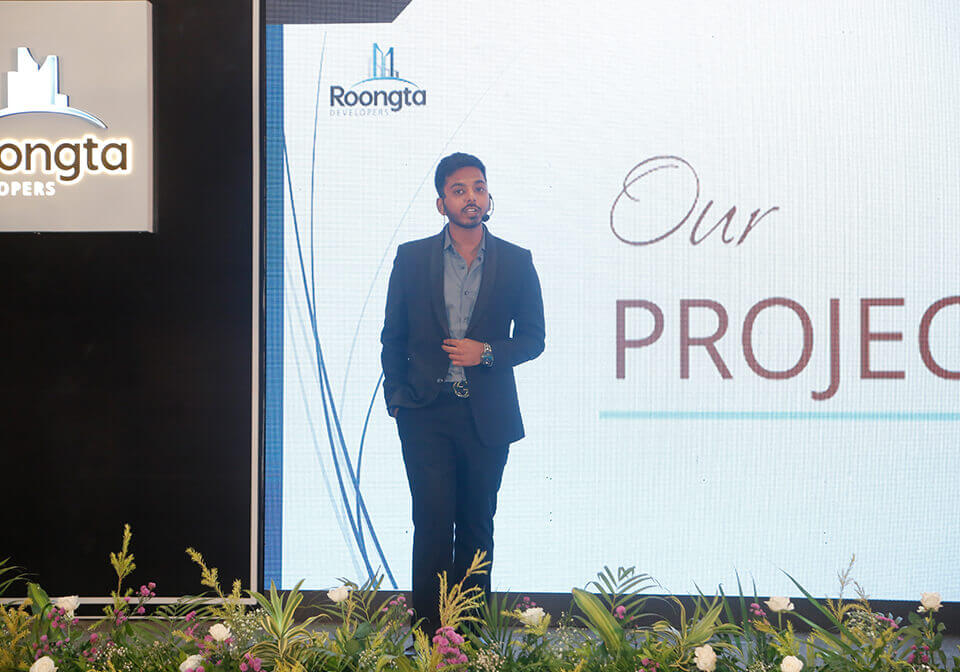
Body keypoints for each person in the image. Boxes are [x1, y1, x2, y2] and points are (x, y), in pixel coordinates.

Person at [380, 152, 545, 635]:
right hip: (425, 414)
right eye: (459, 190)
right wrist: (397, 399)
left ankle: (468, 640)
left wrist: (486, 353)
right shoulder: (412, 258)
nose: (471, 197)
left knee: (476, 527)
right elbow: (393, 336)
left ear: (488, 196)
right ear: (441, 203)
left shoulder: (516, 261)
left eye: (478, 187)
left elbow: (533, 339)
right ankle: (430, 641)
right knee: (432, 526)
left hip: (486, 417)